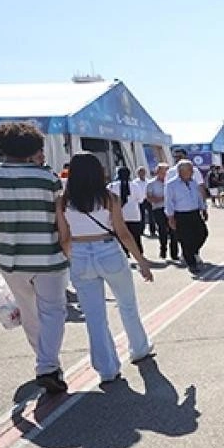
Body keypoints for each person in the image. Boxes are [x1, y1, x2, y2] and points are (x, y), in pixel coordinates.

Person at [0, 121, 70, 394]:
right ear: (34, 147)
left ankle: (46, 363)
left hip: (9, 259)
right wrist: (69, 249)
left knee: (29, 311)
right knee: (53, 311)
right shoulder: (49, 179)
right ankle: (47, 365)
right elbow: (61, 222)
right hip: (48, 257)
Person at [56, 154, 154, 383]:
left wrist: (74, 259)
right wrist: (141, 262)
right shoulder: (108, 198)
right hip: (108, 250)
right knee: (127, 304)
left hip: (79, 253)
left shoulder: (62, 200)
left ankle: (107, 368)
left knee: (94, 316)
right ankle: (139, 348)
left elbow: (64, 238)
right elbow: (123, 233)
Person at [165, 160, 209, 275]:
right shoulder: (171, 184)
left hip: (194, 213)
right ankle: (192, 264)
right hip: (181, 215)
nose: (192, 172)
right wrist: (170, 217)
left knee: (203, 233)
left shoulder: (193, 182)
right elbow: (169, 202)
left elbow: (198, 196)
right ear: (181, 171)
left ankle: (190, 253)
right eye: (189, 170)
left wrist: (203, 208)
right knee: (186, 240)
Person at [107, 166, 145, 257]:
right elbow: (140, 200)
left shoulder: (111, 186)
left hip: (118, 216)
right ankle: (138, 253)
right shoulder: (135, 185)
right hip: (134, 215)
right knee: (135, 236)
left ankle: (124, 253)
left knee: (120, 236)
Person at [147, 163, 175, 260]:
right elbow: (149, 198)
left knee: (173, 231)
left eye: (166, 172)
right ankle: (163, 249)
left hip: (171, 209)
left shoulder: (171, 183)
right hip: (159, 209)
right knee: (162, 230)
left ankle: (174, 253)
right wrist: (163, 198)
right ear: (157, 172)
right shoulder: (151, 183)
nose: (165, 174)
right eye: (163, 172)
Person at [136, 167, 154, 236]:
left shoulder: (148, 181)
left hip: (148, 200)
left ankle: (152, 230)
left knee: (151, 216)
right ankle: (141, 230)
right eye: (140, 172)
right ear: (138, 173)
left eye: (143, 172)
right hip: (140, 200)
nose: (142, 173)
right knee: (141, 216)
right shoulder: (135, 182)